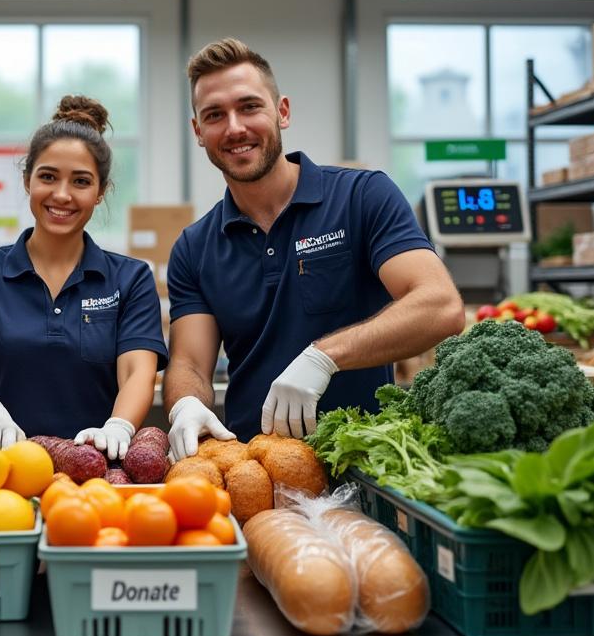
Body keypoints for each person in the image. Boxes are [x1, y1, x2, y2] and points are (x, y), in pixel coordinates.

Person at [163, 37, 464, 461]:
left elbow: (440, 307)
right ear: (198, 132)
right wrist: (185, 404)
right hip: (256, 469)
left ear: (282, 111)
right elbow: (190, 363)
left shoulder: (362, 198)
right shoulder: (195, 247)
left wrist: (324, 358)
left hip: (369, 461)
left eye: (250, 107)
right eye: (214, 115)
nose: (234, 128)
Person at [0, 96, 167, 455]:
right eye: (47, 177)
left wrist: (118, 426)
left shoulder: (130, 278)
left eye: (81, 181)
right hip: (7, 470)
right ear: (27, 180)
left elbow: (137, 372)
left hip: (98, 474)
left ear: (100, 192)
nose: (62, 195)